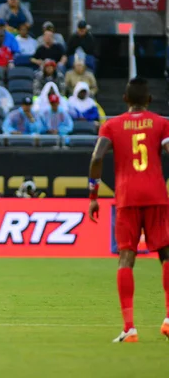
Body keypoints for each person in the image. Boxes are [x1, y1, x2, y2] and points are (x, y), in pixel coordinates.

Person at [87, 77, 169, 343]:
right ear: (149, 100)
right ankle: (168, 317)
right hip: (157, 195)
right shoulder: (161, 123)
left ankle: (130, 328)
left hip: (126, 198)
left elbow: (97, 157)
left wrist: (93, 195)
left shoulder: (111, 125)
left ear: (124, 99)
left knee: (126, 258)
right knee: (167, 255)